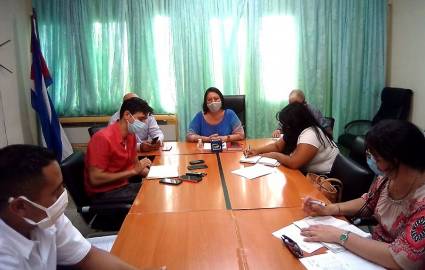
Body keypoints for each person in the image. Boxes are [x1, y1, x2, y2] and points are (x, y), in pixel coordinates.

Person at [301, 120, 425, 269]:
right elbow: (368, 201)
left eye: (377, 158)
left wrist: (341, 236)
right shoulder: (388, 178)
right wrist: (330, 209)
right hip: (370, 254)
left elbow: (401, 260)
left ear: (398, 159)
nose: (373, 163)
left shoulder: (421, 202)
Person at [0, 144, 137, 269]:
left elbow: (88, 257)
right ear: (20, 207)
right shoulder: (5, 259)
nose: (64, 194)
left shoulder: (45, 216)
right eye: (56, 190)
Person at [86, 97, 152, 204]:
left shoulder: (131, 136)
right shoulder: (102, 138)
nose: (144, 124)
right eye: (141, 119)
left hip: (122, 186)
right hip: (104, 193)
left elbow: (137, 167)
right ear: (126, 115)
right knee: (151, 199)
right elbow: (95, 179)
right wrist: (133, 171)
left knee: (157, 189)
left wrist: (158, 176)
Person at [245, 103, 338, 174]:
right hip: (308, 173)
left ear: (296, 123)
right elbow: (277, 146)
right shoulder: (294, 130)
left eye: (286, 123)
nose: (283, 127)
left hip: (325, 177)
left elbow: (294, 163)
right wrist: (257, 150)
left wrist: (275, 155)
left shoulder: (311, 133)